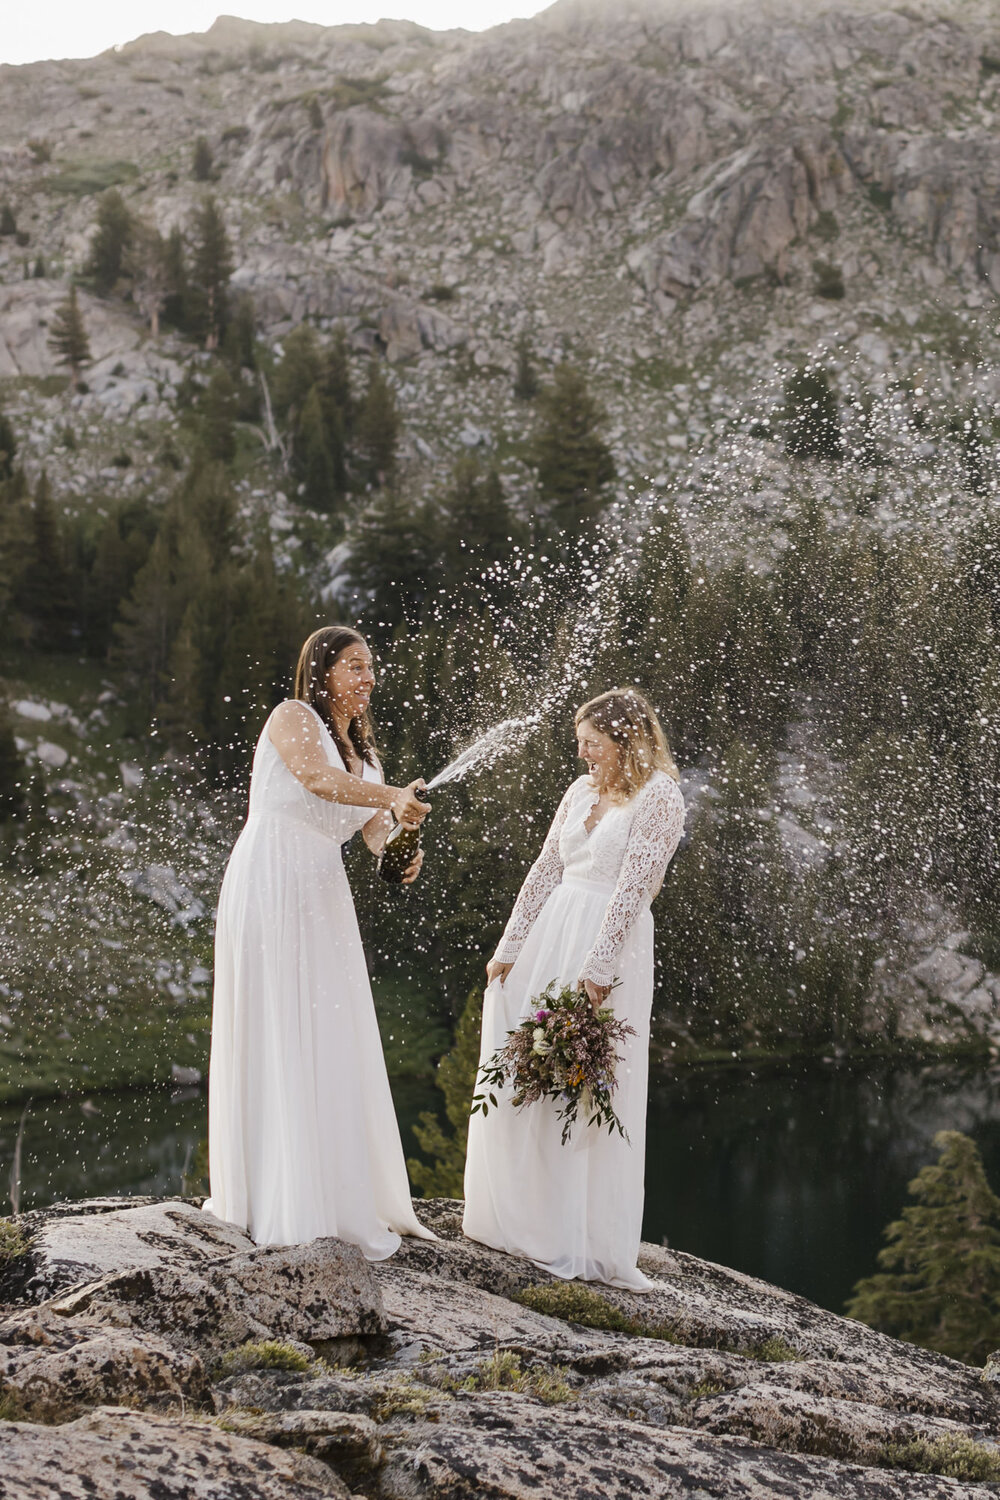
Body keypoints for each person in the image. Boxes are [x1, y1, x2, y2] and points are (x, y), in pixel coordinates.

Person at [205, 625, 435, 1256]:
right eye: (355, 666)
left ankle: (326, 1191)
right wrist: (391, 797)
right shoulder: (293, 716)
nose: (367, 678)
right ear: (323, 670)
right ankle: (270, 1197)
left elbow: (370, 839)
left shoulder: (369, 759)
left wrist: (400, 849)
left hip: (323, 893)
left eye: (371, 667)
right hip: (272, 875)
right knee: (277, 1020)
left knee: (326, 1027)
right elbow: (312, 779)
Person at [463, 688, 685, 1289]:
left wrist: (598, 968)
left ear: (625, 739)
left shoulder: (660, 795)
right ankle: (521, 1218)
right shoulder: (579, 790)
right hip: (553, 930)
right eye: (580, 743)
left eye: (592, 743)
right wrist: (508, 948)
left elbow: (635, 888)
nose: (583, 754)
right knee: (525, 1064)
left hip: (608, 942)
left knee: (582, 1083)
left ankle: (578, 1233)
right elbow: (545, 868)